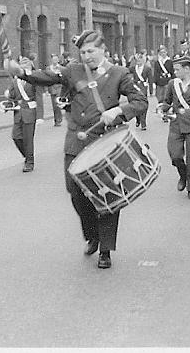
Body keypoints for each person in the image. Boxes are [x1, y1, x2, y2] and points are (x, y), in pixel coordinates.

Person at [8, 30, 147, 269]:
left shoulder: (119, 73)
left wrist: (119, 111)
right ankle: (92, 233)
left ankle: (105, 249)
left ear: (103, 50)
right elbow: (47, 76)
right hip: (76, 139)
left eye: (91, 51)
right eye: (82, 52)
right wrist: (23, 73)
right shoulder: (73, 70)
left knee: (107, 195)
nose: (86, 56)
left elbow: (140, 101)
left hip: (105, 142)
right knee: (75, 191)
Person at [158, 55, 190, 200]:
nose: (175, 72)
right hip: (176, 124)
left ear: (187, 69)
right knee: (175, 155)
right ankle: (183, 175)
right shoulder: (172, 84)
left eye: (177, 69)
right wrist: (162, 109)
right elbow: (166, 102)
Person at [6, 58, 39, 172]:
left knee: (28, 139)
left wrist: (39, 116)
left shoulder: (34, 79)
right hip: (18, 112)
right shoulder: (15, 81)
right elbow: (12, 96)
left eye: (26, 65)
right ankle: (27, 156)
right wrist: (7, 102)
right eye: (22, 66)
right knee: (16, 137)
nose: (24, 67)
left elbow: (38, 96)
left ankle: (29, 162)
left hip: (30, 111)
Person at [130, 49, 152, 130]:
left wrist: (151, 91)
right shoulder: (132, 68)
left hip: (143, 87)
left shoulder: (147, 68)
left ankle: (143, 123)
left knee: (144, 105)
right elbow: (128, 76)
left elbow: (150, 79)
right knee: (136, 105)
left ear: (143, 60)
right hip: (135, 88)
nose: (138, 62)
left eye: (140, 60)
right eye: (137, 60)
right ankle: (138, 119)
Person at [47, 53, 64, 126]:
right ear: (51, 60)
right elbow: (45, 79)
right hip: (52, 87)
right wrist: (46, 90)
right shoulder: (48, 68)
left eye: (56, 59)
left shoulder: (61, 68)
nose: (55, 61)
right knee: (54, 105)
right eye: (54, 59)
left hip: (59, 87)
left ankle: (59, 120)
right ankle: (56, 119)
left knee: (58, 103)